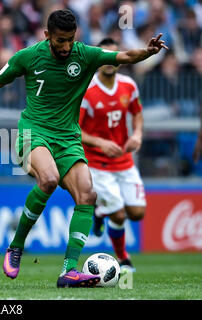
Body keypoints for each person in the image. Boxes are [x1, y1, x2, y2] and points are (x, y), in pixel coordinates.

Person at [0, 9, 167, 288]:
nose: (66, 47)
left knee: (87, 195)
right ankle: (16, 245)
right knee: (49, 179)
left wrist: (148, 52)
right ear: (47, 35)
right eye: (60, 41)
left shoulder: (86, 54)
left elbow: (125, 57)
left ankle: (69, 270)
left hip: (68, 138)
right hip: (33, 133)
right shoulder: (28, 56)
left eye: (70, 39)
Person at [79, 37, 146, 272]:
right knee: (118, 214)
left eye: (114, 56)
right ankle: (123, 259)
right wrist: (99, 142)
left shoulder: (129, 86)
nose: (109, 61)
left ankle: (99, 211)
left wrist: (137, 134)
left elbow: (137, 113)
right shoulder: (87, 90)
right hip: (97, 164)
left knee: (137, 213)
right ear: (98, 59)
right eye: (104, 55)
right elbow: (73, 128)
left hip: (124, 161)